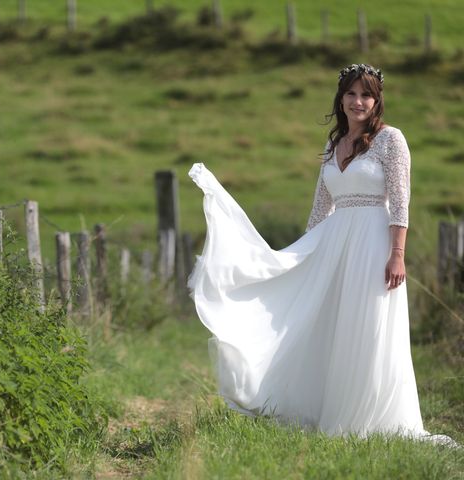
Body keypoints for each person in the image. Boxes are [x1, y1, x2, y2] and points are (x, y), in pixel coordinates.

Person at [188, 64, 455, 445]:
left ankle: (367, 421)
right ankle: (327, 410)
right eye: (351, 94)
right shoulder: (334, 145)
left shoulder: (391, 140)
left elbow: (400, 201)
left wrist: (398, 253)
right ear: (341, 98)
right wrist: (301, 260)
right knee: (330, 325)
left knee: (367, 325)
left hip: (373, 242)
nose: (358, 101)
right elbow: (320, 210)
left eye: (366, 95)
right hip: (333, 245)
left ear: (377, 101)